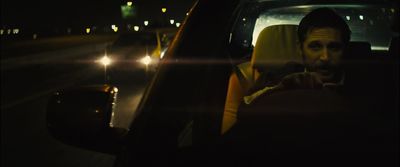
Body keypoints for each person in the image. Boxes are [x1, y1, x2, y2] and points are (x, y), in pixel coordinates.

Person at [243, 8, 351, 104]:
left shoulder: (363, 84)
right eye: (315, 47)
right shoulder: (280, 77)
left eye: (334, 48)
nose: (325, 57)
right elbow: (247, 105)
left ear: (345, 50)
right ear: (300, 48)